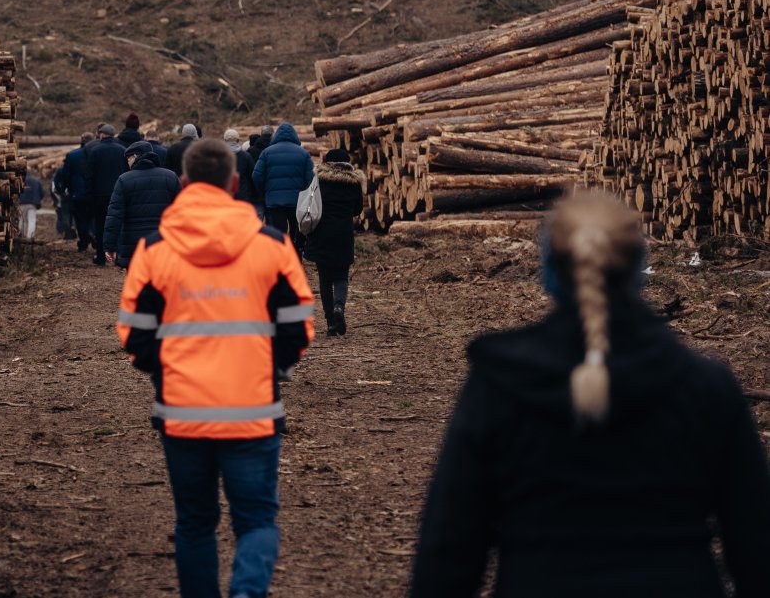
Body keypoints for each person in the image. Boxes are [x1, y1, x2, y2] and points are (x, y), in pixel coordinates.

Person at [410, 191, 770, 598]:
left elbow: (450, 545)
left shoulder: (501, 383)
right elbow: (756, 544)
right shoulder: (707, 387)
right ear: (637, 269)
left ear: (548, 271)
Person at [117, 139, 316, 598]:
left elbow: (135, 334)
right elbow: (297, 325)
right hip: (253, 410)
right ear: (235, 182)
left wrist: (164, 373)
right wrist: (273, 369)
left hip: (182, 412)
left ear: (184, 182)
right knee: (257, 520)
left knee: (194, 523)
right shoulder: (272, 246)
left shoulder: (154, 249)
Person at [301, 149, 364, 336]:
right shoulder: (353, 182)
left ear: (327, 162)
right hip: (343, 234)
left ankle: (330, 322)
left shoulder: (319, 180)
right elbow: (358, 209)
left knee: (325, 278)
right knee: (341, 275)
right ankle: (339, 307)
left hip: (321, 233)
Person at [104, 141, 180, 269]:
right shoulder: (171, 177)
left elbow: (114, 215)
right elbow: (181, 211)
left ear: (135, 156)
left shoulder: (124, 180)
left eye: (128, 158)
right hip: (163, 240)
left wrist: (110, 246)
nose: (128, 163)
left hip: (134, 243)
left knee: (137, 278)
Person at [252, 122, 314, 248]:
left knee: (278, 236)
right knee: (297, 235)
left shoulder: (267, 152)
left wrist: (265, 191)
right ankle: (296, 254)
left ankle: (280, 256)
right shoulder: (303, 153)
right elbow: (310, 178)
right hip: (297, 202)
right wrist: (303, 192)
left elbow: (256, 176)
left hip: (274, 202)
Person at [81, 124, 129, 266]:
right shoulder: (122, 150)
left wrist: (88, 194)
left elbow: (89, 175)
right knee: (118, 223)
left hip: (99, 195)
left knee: (100, 224)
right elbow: (126, 172)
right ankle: (118, 256)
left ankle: (101, 255)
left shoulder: (95, 151)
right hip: (117, 193)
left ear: (101, 134)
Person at [58, 134, 93, 252]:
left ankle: (83, 241)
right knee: (93, 216)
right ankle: (93, 235)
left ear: (81, 141)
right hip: (93, 192)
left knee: (80, 218)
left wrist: (67, 188)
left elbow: (66, 175)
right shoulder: (96, 154)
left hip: (77, 193)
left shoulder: (72, 155)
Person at [224, 129, 257, 209]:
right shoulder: (246, 156)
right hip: (243, 196)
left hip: (225, 196)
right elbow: (253, 176)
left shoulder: (219, 157)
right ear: (238, 140)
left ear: (224, 140)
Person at [17, 168, 43, 240]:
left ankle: (22, 236)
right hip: (32, 204)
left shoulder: (20, 181)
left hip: (21, 203)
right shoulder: (36, 181)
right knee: (32, 220)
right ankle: (30, 236)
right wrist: (38, 199)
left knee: (22, 220)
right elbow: (41, 193)